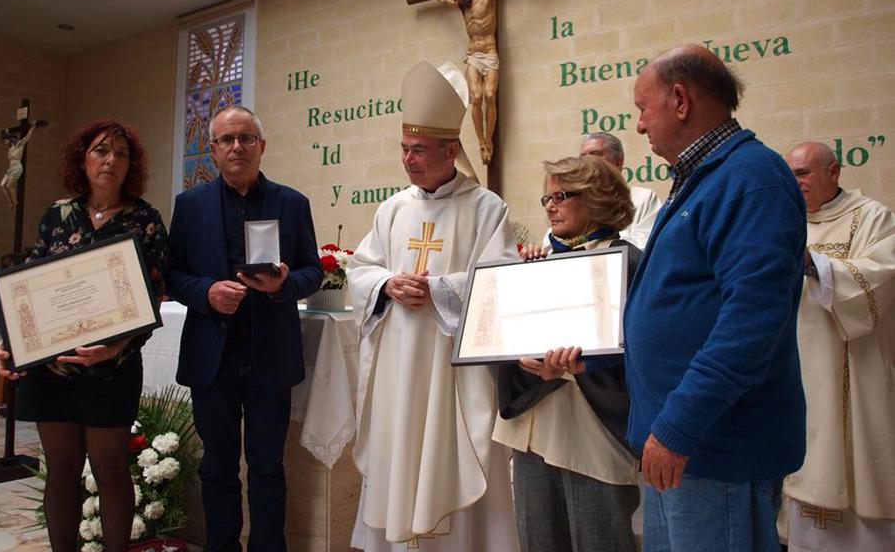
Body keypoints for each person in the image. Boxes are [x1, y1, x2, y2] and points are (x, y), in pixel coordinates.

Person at [623, 44, 807, 551]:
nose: (639, 125)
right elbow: (676, 303)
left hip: (712, 445)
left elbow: (750, 322)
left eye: (643, 108)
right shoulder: (704, 178)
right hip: (681, 444)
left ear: (680, 100)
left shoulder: (751, 178)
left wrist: (678, 425)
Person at [347, 60, 519, 551]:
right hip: (399, 368)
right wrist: (386, 285)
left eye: (418, 150)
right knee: (400, 450)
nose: (408, 160)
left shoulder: (486, 208)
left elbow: (501, 280)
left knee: (447, 453)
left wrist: (439, 291)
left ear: (450, 149)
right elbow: (362, 269)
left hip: (452, 372)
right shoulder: (392, 209)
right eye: (404, 149)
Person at [0, 119, 167, 552]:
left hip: (113, 369)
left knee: (110, 469)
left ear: (132, 165)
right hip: (53, 369)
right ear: (82, 159)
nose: (111, 160)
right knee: (61, 469)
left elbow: (154, 295)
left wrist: (115, 346)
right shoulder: (57, 214)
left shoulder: (145, 219)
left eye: (121, 153)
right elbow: (30, 284)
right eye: (101, 150)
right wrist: (9, 338)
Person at [166, 105, 323, 552]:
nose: (237, 146)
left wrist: (283, 284)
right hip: (212, 357)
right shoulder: (189, 205)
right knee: (217, 468)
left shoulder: (292, 203)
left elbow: (313, 271)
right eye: (227, 140)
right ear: (213, 150)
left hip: (269, 355)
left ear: (261, 145)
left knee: (268, 468)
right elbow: (172, 274)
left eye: (246, 138)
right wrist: (206, 292)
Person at [494, 155, 641, 552]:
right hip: (533, 430)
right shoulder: (537, 261)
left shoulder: (627, 263)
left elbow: (642, 350)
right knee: (539, 541)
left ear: (597, 197)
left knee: (600, 542)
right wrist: (521, 356)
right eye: (546, 199)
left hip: (592, 435)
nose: (550, 207)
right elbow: (503, 337)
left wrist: (581, 364)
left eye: (561, 196)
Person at [780, 141, 895, 551]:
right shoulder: (786, 222)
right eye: (790, 175)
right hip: (796, 370)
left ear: (834, 171)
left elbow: (883, 275)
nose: (796, 183)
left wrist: (816, 265)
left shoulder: (872, 217)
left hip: (853, 369)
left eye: (804, 173)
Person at [421, 0, 554, 165]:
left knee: (490, 95)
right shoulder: (461, 5)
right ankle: (481, 142)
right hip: (473, 56)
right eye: (455, 0)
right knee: (476, 97)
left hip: (490, 54)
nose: (456, 3)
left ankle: (489, 139)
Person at [542, 132, 661, 249]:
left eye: (594, 155)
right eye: (583, 157)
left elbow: (645, 248)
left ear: (617, 163)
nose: (587, 162)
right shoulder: (561, 229)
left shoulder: (643, 197)